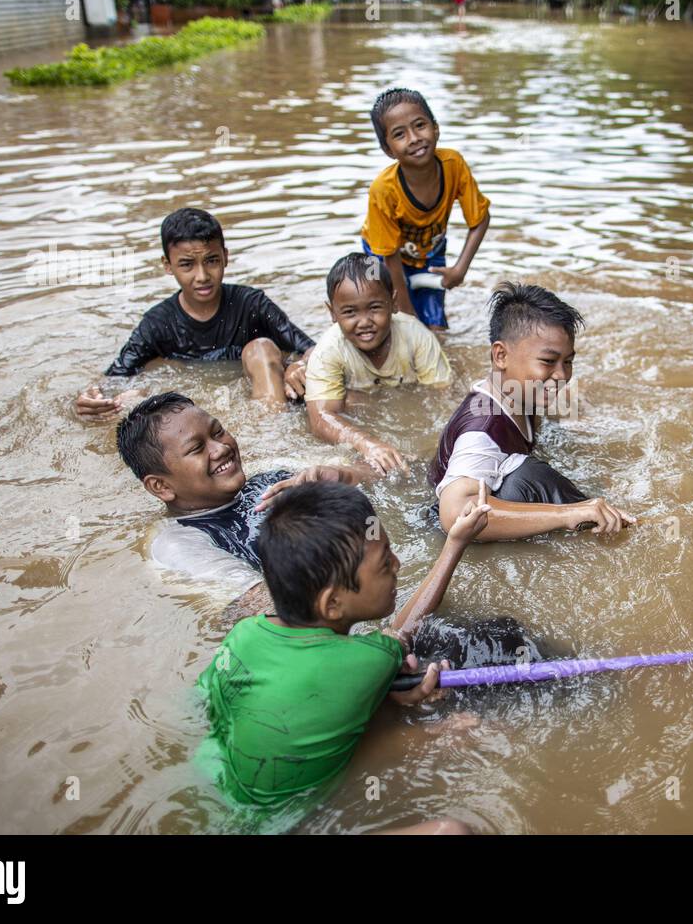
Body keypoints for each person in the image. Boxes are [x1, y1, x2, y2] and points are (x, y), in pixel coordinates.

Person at [197, 479, 491, 819]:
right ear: (333, 603)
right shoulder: (367, 659)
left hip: (215, 787)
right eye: (384, 563)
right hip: (287, 822)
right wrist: (454, 545)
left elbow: (208, 700)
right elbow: (403, 632)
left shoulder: (244, 633)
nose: (397, 564)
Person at [430, 283, 636, 540]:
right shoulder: (482, 430)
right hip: (450, 534)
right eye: (548, 361)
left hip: (491, 490)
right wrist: (567, 514)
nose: (562, 375)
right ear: (501, 356)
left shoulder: (520, 394)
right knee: (529, 475)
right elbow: (454, 514)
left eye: (568, 361)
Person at [115, 391, 371, 596]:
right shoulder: (178, 544)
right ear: (162, 486)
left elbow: (387, 471)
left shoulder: (270, 477)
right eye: (196, 448)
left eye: (218, 432)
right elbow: (261, 607)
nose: (221, 448)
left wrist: (340, 476)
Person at [76, 208, 314, 420]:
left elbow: (311, 349)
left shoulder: (252, 305)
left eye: (211, 260)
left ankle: (272, 433)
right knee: (132, 396)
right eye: (187, 264)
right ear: (168, 265)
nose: (202, 276)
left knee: (261, 347)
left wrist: (298, 365)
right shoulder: (158, 323)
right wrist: (91, 396)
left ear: (225, 257)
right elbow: (114, 377)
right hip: (194, 411)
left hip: (260, 397)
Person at [295, 252, 454, 476]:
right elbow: (320, 418)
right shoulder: (328, 350)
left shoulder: (417, 336)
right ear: (332, 312)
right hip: (360, 407)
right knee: (347, 402)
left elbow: (440, 397)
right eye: (350, 312)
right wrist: (367, 444)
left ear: (394, 303)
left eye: (375, 308)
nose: (364, 322)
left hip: (401, 401)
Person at [361, 88, 490, 331]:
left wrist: (460, 269)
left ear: (436, 128)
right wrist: (407, 313)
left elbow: (480, 220)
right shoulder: (383, 190)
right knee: (378, 311)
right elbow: (389, 256)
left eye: (420, 125)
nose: (414, 138)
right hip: (378, 253)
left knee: (436, 328)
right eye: (399, 134)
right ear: (388, 150)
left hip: (430, 252)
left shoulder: (454, 165)